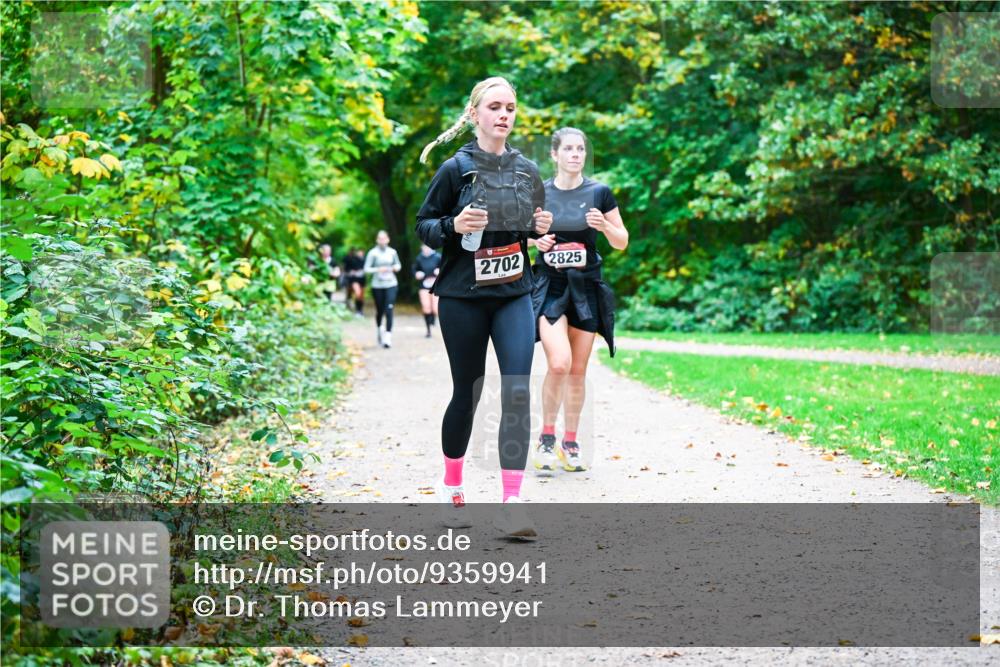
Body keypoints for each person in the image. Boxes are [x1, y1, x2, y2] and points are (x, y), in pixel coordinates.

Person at [416, 76, 552, 537]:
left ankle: (512, 502)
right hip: (463, 297)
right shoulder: (455, 169)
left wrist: (540, 229)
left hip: (514, 292)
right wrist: (453, 225)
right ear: (475, 114)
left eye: (510, 107)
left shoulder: (527, 170)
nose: (504, 115)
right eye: (495, 106)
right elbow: (424, 226)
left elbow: (532, 227)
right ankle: (451, 482)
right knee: (467, 392)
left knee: (516, 390)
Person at [530, 127, 628, 474]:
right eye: (568, 149)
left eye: (581, 149)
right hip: (551, 288)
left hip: (585, 288)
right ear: (554, 155)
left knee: (577, 370)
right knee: (559, 363)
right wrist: (535, 243)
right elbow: (523, 237)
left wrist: (603, 226)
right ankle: (545, 438)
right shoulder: (539, 192)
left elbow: (621, 241)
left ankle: (570, 442)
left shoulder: (599, 192)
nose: (575, 154)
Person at [364, 231, 402, 348]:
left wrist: (394, 268)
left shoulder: (392, 252)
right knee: (380, 310)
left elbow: (398, 266)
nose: (382, 241)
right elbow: (366, 269)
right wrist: (378, 270)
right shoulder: (372, 253)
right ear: (377, 240)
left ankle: (388, 337)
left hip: (391, 284)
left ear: (388, 239)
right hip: (377, 285)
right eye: (380, 239)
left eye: (384, 238)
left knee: (389, 309)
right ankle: (380, 329)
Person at [412, 243, 442, 337]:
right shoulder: (419, 258)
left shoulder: (438, 257)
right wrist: (416, 274)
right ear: (421, 247)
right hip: (423, 285)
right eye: (424, 247)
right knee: (426, 307)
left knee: (435, 308)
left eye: (428, 246)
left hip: (435, 285)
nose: (426, 248)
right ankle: (428, 330)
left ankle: (433, 319)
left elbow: (445, 268)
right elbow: (414, 269)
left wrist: (439, 271)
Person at [343, 248, 366, 317]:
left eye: (361, 252)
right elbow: (346, 269)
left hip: (362, 279)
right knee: (357, 293)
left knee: (361, 296)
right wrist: (352, 272)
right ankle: (357, 310)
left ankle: (360, 310)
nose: (360, 253)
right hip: (354, 279)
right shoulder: (351, 259)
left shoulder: (365, 260)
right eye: (359, 252)